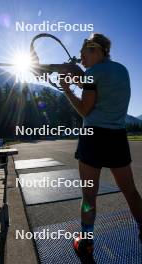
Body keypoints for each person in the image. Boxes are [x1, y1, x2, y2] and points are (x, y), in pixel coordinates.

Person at [60, 33, 142, 263]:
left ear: (96, 50)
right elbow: (99, 89)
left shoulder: (92, 73)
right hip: (117, 137)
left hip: (93, 137)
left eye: (83, 53)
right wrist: (78, 78)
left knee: (89, 196)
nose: (81, 58)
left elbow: (86, 109)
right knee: (130, 191)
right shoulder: (122, 70)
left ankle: (86, 243)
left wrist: (67, 89)